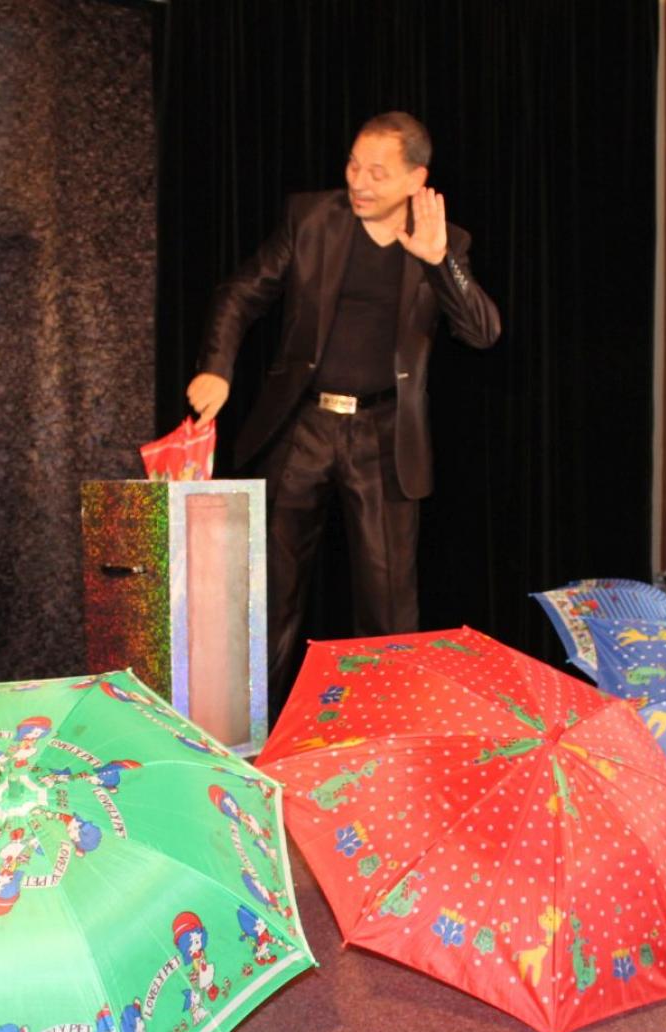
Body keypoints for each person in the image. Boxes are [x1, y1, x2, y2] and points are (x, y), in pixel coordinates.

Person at [186, 111, 502, 707]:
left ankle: (383, 731)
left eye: (377, 173)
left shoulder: (444, 241)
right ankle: (249, 732)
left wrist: (439, 263)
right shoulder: (312, 219)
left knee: (388, 604)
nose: (358, 181)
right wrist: (216, 368)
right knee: (270, 594)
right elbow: (241, 293)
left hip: (384, 434)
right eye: (354, 165)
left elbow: (483, 333)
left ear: (416, 179)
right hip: (302, 425)